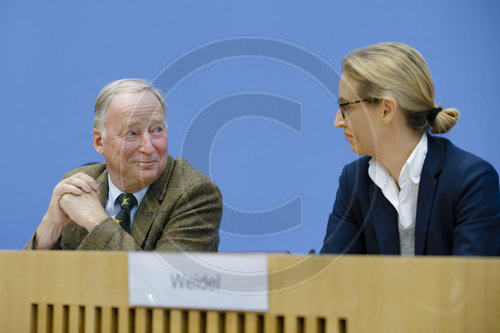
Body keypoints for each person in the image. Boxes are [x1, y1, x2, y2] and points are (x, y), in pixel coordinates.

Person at [321, 42, 500, 256]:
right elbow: (333, 277)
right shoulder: (354, 181)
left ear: (386, 110)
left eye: (346, 107)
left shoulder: (471, 182)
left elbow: (470, 284)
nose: (337, 121)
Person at [25, 79, 222, 251]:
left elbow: (162, 284)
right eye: (132, 133)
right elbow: (22, 283)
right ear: (99, 142)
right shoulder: (79, 185)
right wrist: (50, 226)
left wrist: (96, 221)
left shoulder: (194, 193)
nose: (149, 147)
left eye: (157, 130)